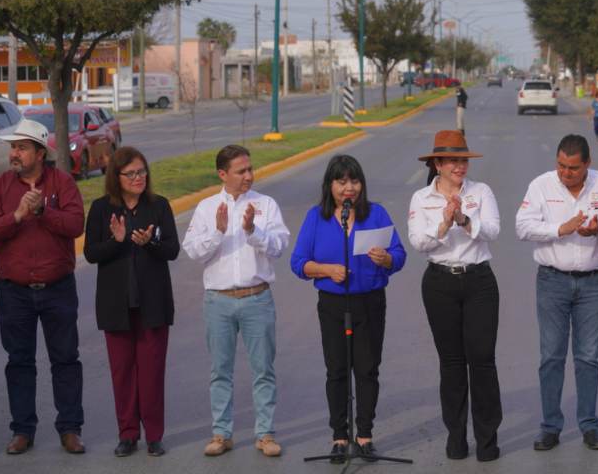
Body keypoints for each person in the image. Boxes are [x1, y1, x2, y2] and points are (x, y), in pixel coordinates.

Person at [515, 134, 598, 453]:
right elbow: (522, 227)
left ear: (587, 164)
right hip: (552, 281)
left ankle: (590, 425)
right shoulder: (541, 185)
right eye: (561, 166)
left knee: (587, 357)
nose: (566, 173)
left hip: (594, 283)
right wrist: (559, 229)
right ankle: (550, 426)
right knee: (551, 356)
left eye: (573, 168)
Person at [290, 155, 407, 463]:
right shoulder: (317, 217)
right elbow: (298, 263)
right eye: (341, 182)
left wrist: (386, 259)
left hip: (369, 301)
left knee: (367, 369)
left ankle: (365, 435)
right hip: (332, 303)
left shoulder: (376, 214)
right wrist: (327, 270)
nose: (349, 188)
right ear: (330, 186)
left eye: (354, 181)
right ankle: (340, 436)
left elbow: (399, 254)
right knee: (337, 370)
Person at [182, 145, 290, 458]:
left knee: (263, 370)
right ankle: (221, 433)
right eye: (241, 171)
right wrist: (217, 231)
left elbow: (279, 247)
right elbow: (194, 252)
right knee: (220, 371)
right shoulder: (206, 207)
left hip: (257, 298)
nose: (249, 176)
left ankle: (265, 434)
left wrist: (252, 231)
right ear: (222, 174)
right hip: (219, 301)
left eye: (250, 169)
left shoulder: (265, 204)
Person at [0, 119, 86, 455]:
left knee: (66, 360)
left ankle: (70, 428)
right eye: (12, 147)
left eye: (21, 147)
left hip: (58, 288)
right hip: (14, 291)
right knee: (19, 361)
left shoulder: (62, 183)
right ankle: (22, 430)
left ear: (40, 153)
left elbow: (75, 225)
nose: (14, 153)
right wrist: (16, 216)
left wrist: (43, 210)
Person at [407, 130, 502, 462]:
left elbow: (492, 230)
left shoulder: (481, 191)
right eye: (452, 161)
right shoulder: (421, 199)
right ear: (437, 163)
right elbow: (419, 243)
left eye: (463, 160)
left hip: (479, 281)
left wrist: (463, 218)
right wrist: (444, 225)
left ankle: (488, 440)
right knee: (451, 363)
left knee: (482, 361)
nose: (460, 167)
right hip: (439, 283)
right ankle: (457, 436)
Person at [84, 147, 180, 458]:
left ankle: (154, 435)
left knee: (152, 374)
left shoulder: (159, 206)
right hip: (116, 306)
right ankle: (127, 434)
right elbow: (90, 254)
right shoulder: (101, 209)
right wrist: (117, 241)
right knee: (122, 373)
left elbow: (171, 250)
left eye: (142, 172)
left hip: (153, 304)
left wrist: (149, 242)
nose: (139, 178)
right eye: (131, 173)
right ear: (117, 177)